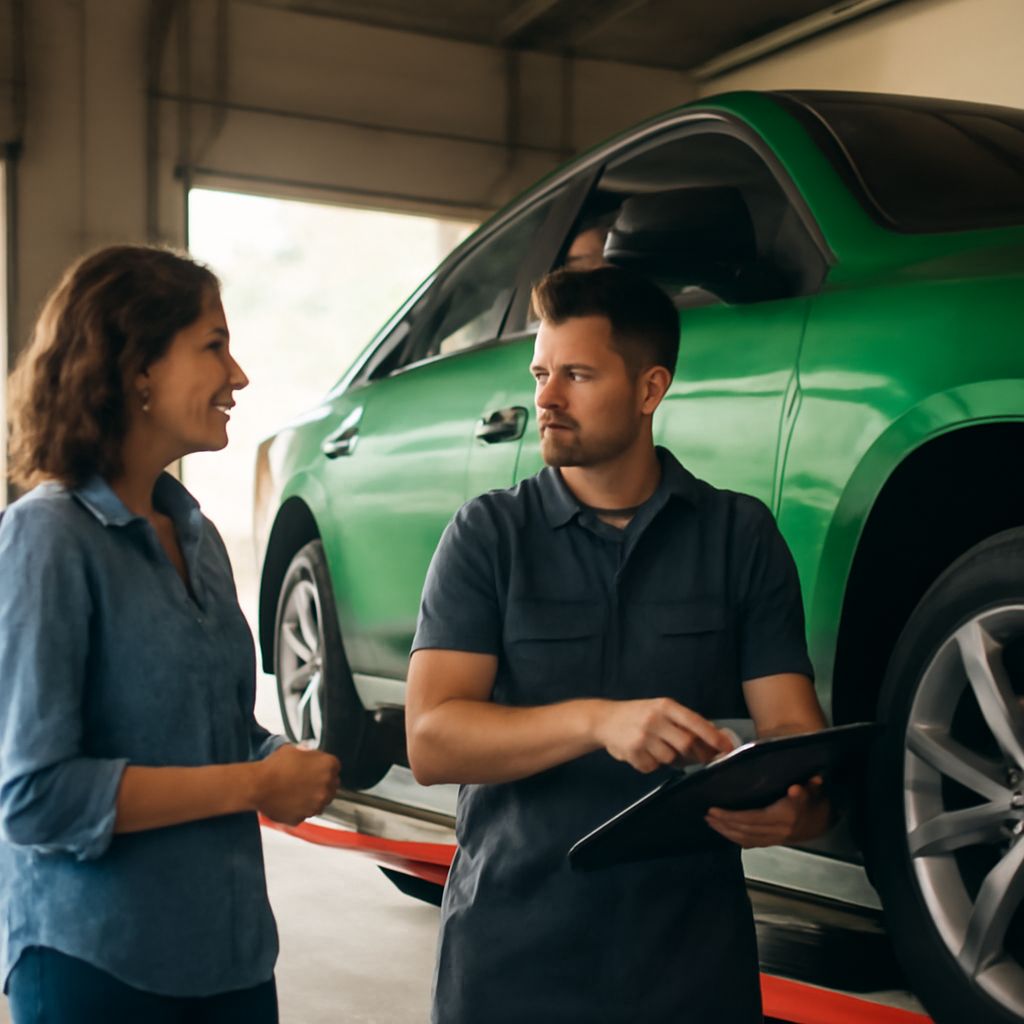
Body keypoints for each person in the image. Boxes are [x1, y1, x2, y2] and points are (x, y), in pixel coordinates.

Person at [406, 266, 831, 1023]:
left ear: (649, 389)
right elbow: (434, 740)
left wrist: (801, 810)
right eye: (541, 372)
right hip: (511, 965)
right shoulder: (487, 537)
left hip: (692, 971)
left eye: (576, 374)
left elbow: (795, 732)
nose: (545, 398)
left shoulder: (740, 537)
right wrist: (598, 721)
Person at [0, 245, 340, 1024]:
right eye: (214, 345)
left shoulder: (198, 537)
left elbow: (210, 734)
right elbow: (36, 798)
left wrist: (278, 762)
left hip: (232, 962)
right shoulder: (47, 538)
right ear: (136, 368)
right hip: (99, 969)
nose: (239, 375)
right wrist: (255, 786)